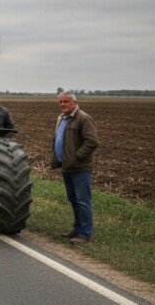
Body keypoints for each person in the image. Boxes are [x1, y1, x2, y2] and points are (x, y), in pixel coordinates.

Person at [50, 91, 99, 245]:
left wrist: (76, 156)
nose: (63, 104)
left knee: (83, 200)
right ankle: (77, 230)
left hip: (80, 168)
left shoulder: (83, 118)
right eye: (61, 102)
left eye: (66, 101)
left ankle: (85, 234)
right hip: (67, 166)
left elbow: (92, 141)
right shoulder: (62, 118)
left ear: (74, 103)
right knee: (73, 199)